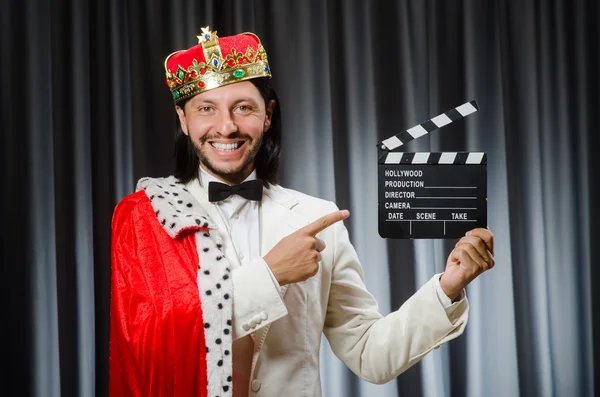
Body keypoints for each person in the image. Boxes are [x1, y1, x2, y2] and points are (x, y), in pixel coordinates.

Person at [109, 27, 495, 397]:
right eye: (206, 109)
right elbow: (147, 341)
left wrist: (448, 286)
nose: (225, 127)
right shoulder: (147, 215)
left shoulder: (315, 217)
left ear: (268, 115)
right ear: (183, 119)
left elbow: (369, 352)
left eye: (243, 107)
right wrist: (271, 274)